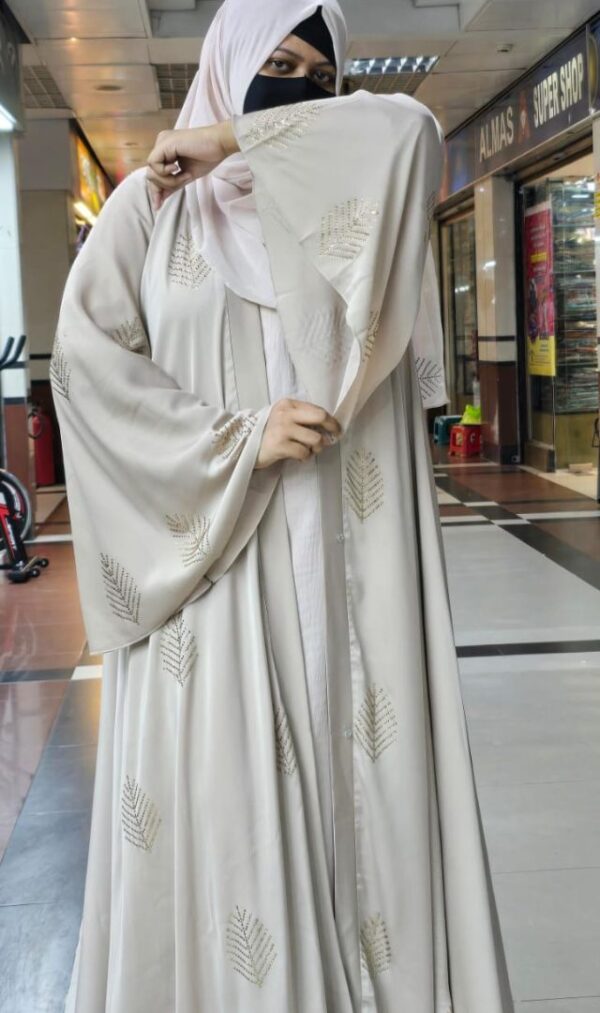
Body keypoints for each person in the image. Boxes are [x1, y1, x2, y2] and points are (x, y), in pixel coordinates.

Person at [53, 0, 514, 1009]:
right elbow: (88, 374)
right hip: (213, 567)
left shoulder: (349, 207)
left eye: (314, 69)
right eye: (272, 63)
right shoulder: (149, 211)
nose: (294, 83)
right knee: (234, 810)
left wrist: (229, 135)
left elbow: (412, 130)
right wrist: (234, 441)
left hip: (347, 562)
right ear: (226, 59)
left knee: (357, 790)